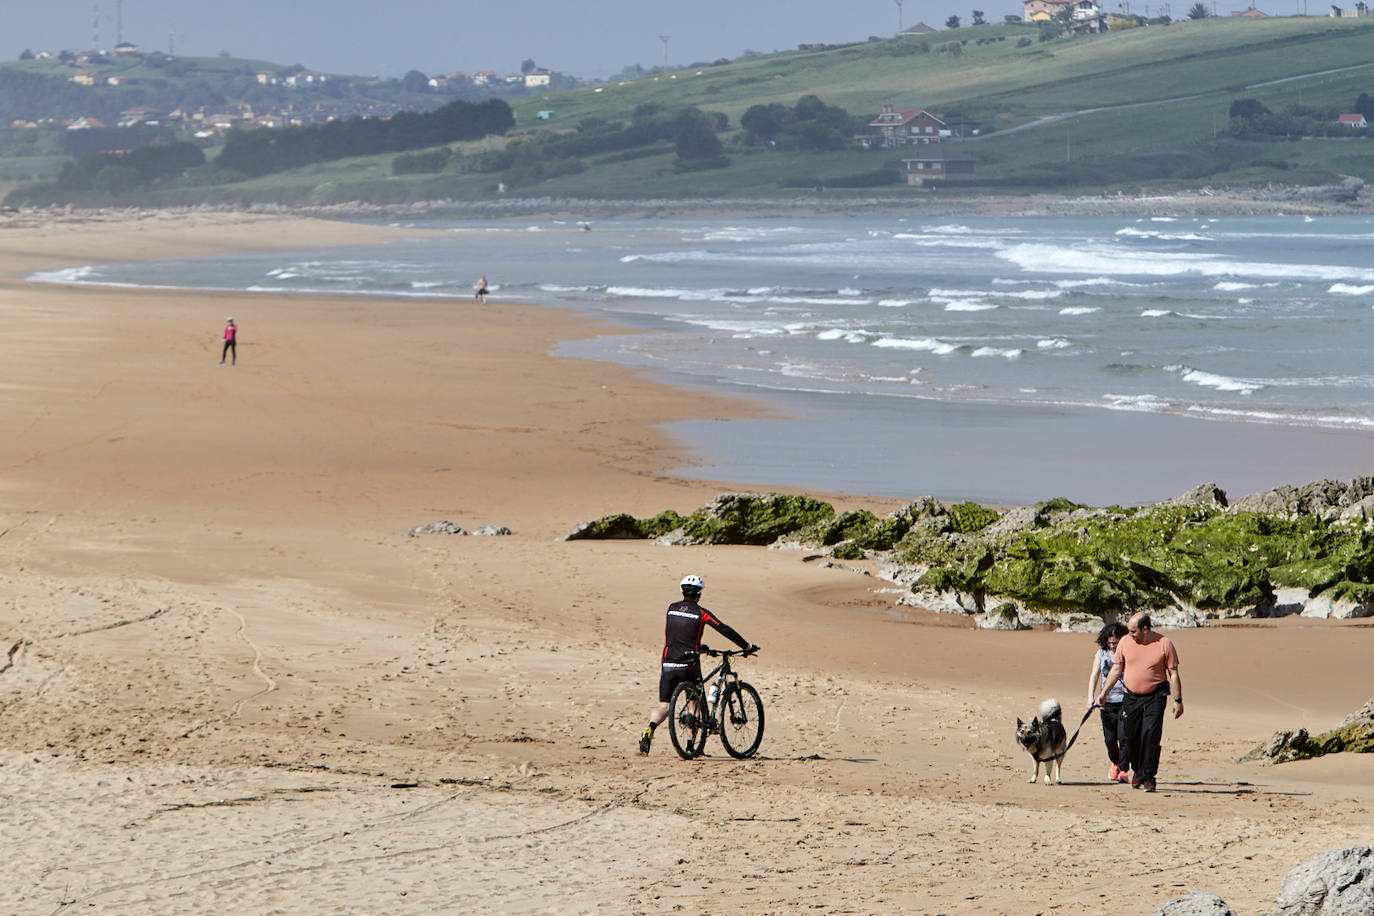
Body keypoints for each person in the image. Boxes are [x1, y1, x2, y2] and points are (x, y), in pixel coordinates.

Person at [638, 574, 758, 756]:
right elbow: (723, 628)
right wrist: (746, 646)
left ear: (682, 591)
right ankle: (690, 745)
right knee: (694, 703)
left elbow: (679, 634)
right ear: (699, 594)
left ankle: (650, 728)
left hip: (668, 662)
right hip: (689, 664)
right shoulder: (701, 613)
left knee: (663, 706)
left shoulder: (671, 608)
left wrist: (701, 646)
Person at [1095, 611, 1183, 793]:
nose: (1129, 634)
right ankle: (1137, 770)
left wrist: (1178, 700)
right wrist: (1103, 693)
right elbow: (1116, 669)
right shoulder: (1126, 642)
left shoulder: (1164, 643)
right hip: (1131, 697)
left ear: (1145, 629)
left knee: (1150, 735)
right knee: (1129, 736)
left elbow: (1173, 674)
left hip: (1155, 697)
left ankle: (1149, 777)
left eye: (1133, 631)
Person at [1086, 621, 1130, 784]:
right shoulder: (1101, 653)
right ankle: (1116, 762)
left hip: (1125, 700)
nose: (1112, 646)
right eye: (1110, 643)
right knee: (1109, 739)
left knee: (1123, 736)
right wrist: (1091, 697)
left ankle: (1124, 770)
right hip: (1106, 701)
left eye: (1115, 643)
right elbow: (1094, 675)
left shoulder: (1127, 652)